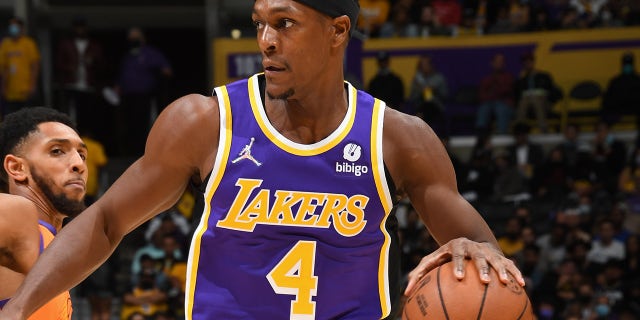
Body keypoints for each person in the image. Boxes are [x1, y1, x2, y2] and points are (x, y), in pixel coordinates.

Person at [0, 1, 524, 319]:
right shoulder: (205, 122)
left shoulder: (398, 138)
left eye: (285, 23)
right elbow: (108, 220)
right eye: (259, 23)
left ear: (338, 31)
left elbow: (486, 253)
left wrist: (469, 247)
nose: (266, 42)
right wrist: (20, 309)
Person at [0, 107, 88, 319]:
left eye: (82, 154)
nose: (79, 164)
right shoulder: (17, 213)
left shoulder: (52, 241)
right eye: (57, 151)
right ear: (16, 167)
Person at [113, 27, 172, 157]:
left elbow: (167, 70)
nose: (133, 40)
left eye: (136, 38)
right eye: (131, 38)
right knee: (129, 126)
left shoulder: (151, 54)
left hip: (146, 98)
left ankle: (146, 153)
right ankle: (130, 153)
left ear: (143, 39)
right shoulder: (127, 57)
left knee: (145, 125)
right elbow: (121, 77)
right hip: (127, 98)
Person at [54, 17, 109, 147]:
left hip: (89, 85)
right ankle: (72, 139)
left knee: (89, 115)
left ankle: (87, 141)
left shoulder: (94, 45)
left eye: (82, 27)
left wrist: (93, 62)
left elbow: (103, 65)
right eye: (77, 27)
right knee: (72, 114)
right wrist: (70, 67)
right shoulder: (66, 44)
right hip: (71, 84)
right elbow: (58, 63)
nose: (80, 30)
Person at [0, 17, 40, 118]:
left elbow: (34, 65)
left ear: (21, 28)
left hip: (26, 89)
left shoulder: (28, 44)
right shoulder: (6, 44)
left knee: (26, 119)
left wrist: (32, 85)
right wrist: (3, 86)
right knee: (10, 117)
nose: (12, 28)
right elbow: (4, 67)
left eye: (15, 26)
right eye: (11, 26)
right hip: (10, 91)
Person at [514, 52, 562, 133]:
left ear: (533, 62)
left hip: (545, 104)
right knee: (524, 101)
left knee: (535, 100)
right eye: (525, 62)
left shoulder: (544, 76)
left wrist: (549, 100)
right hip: (528, 107)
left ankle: (543, 130)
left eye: (529, 62)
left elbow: (555, 91)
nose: (527, 64)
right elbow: (518, 96)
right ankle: (520, 131)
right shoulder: (521, 81)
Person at [475, 53, 515, 135]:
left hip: (505, 105)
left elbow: (505, 91)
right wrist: (494, 96)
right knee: (484, 108)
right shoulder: (487, 79)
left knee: (500, 108)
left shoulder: (509, 77)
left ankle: (502, 134)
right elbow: (481, 95)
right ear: (492, 63)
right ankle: (481, 135)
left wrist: (494, 94)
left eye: (501, 61)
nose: (499, 63)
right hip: (490, 103)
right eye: (497, 61)